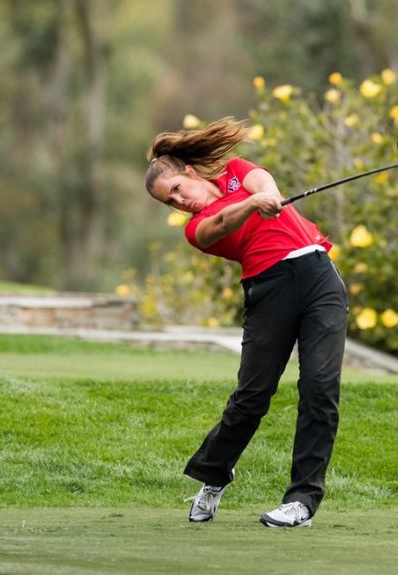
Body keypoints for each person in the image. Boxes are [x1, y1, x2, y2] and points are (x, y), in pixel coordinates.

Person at [144, 117, 348, 528]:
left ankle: (302, 501)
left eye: (177, 190)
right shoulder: (197, 229)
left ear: (189, 172)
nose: (179, 202)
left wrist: (266, 196)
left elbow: (261, 182)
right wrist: (253, 205)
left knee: (319, 388)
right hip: (269, 291)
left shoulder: (236, 173)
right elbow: (223, 224)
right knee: (252, 398)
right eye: (170, 202)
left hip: (319, 277)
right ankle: (214, 474)